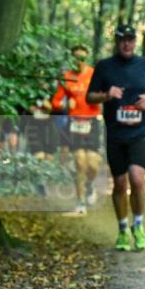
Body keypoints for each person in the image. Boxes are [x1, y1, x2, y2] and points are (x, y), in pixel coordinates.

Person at [86, 24, 145, 251]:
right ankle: (121, 229)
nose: (127, 43)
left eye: (130, 39)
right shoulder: (104, 66)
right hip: (115, 133)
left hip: (138, 132)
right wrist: (107, 95)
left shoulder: (144, 64)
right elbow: (89, 97)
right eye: (123, 40)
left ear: (135, 42)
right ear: (117, 42)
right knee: (119, 183)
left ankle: (138, 226)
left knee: (137, 178)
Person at [52, 44, 101, 214]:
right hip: (74, 122)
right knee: (80, 162)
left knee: (93, 164)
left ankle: (89, 185)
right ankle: (80, 202)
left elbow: (104, 94)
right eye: (76, 58)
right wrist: (66, 103)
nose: (79, 62)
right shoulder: (67, 77)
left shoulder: (94, 74)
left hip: (92, 121)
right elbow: (55, 102)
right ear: (71, 59)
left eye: (82, 59)